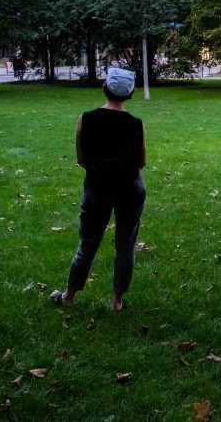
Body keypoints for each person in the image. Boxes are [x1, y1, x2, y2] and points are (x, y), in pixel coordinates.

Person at [50, 68, 146, 312]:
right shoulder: (136, 124)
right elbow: (141, 162)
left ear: (106, 86)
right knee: (125, 245)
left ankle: (68, 296)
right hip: (130, 188)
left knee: (88, 243)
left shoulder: (86, 118)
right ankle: (117, 301)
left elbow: (81, 159)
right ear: (130, 93)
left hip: (97, 187)